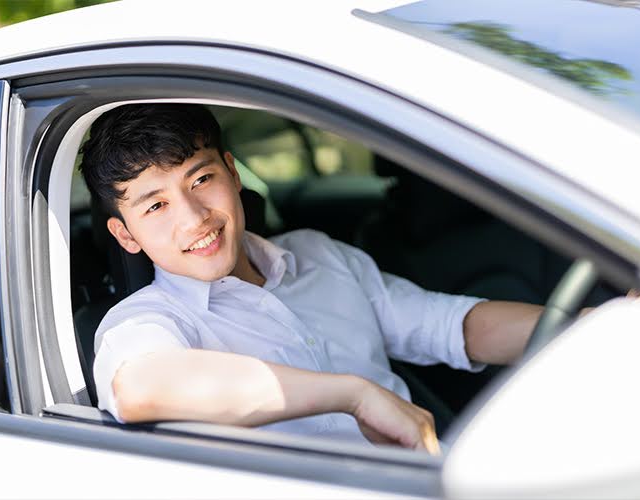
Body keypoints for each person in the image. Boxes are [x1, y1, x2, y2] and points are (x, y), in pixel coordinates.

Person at [80, 104, 547, 455]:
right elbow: (142, 385)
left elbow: (452, 325)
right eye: (156, 205)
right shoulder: (145, 320)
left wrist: (585, 324)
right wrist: (353, 395)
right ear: (126, 235)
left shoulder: (317, 253)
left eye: (201, 179)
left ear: (233, 172)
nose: (194, 218)